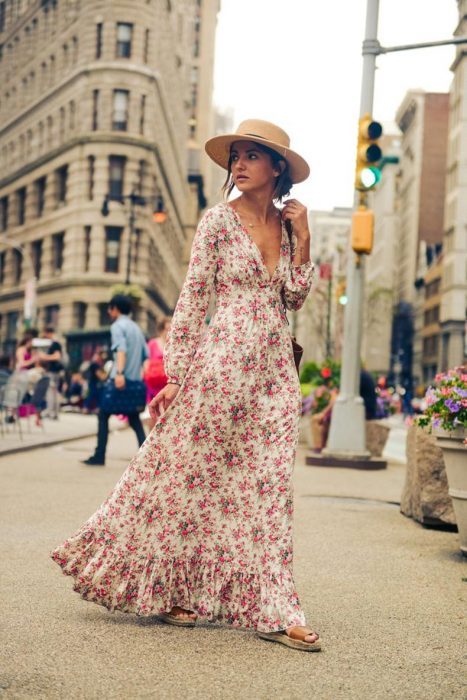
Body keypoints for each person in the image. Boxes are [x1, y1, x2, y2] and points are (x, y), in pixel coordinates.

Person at [52, 119, 320, 652]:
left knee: (267, 491)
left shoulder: (290, 228)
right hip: (220, 367)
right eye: (235, 156)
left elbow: (292, 298)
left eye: (251, 156)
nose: (238, 164)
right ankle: (170, 587)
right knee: (185, 481)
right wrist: (176, 376)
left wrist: (305, 238)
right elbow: (195, 300)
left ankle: (276, 606)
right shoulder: (217, 222)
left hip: (272, 377)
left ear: (277, 168)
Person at [82, 295, 148, 465]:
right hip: (134, 382)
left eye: (110, 308)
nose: (109, 311)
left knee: (103, 414)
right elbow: (145, 356)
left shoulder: (118, 326)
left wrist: (119, 373)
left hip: (121, 380)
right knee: (134, 419)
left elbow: (121, 350)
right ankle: (148, 456)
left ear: (116, 309)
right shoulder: (136, 328)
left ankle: (99, 455)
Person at [143, 317, 171, 423]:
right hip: (154, 383)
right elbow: (147, 360)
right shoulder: (153, 343)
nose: (169, 332)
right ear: (161, 329)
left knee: (166, 412)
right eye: (167, 329)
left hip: (167, 383)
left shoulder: (173, 345)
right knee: (153, 412)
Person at [37, 327, 63, 419]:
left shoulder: (54, 344)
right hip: (52, 371)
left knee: (52, 392)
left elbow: (57, 356)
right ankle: (53, 412)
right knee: (52, 391)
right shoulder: (51, 344)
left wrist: (45, 357)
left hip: (54, 371)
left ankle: (52, 412)